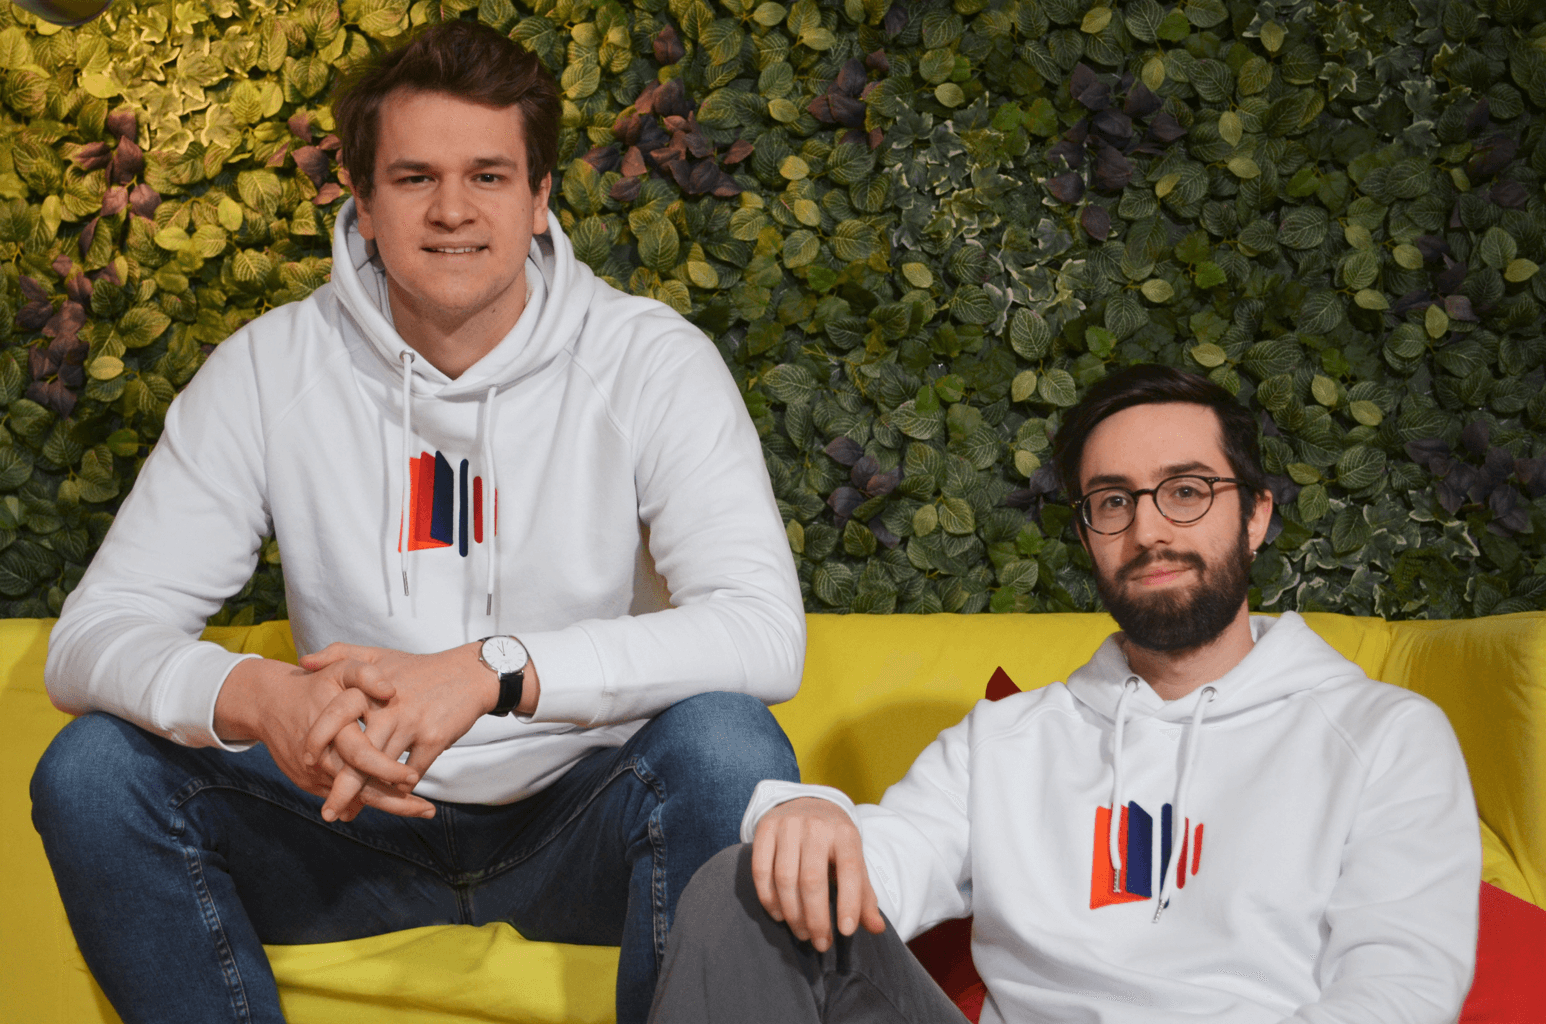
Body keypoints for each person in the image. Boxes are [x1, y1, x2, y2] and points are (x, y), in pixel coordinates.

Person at [30, 21, 805, 1024]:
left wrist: (493, 669)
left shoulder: (649, 360)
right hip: (345, 822)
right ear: (361, 200)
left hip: (587, 824)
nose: (451, 210)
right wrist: (261, 697)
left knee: (727, 746)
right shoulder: (269, 369)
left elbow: (761, 631)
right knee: (95, 773)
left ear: (539, 198)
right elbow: (92, 636)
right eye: (413, 178)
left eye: (488, 176)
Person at [648, 364, 1481, 1024]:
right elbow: (880, 868)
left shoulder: (1385, 736)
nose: (1148, 530)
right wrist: (808, 815)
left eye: (1186, 491)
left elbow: (1397, 992)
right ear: (1088, 535)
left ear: (1256, 516)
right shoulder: (1007, 740)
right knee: (741, 888)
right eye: (1113, 502)